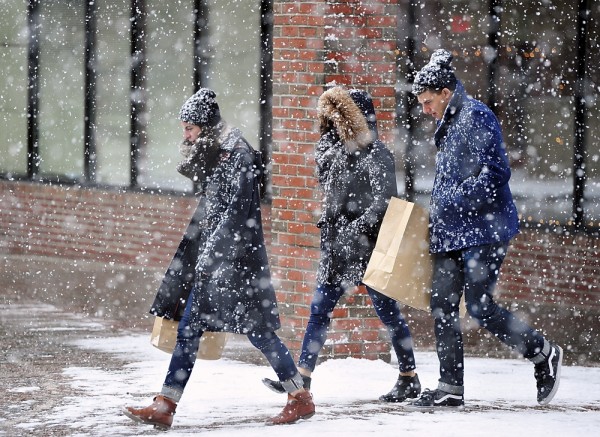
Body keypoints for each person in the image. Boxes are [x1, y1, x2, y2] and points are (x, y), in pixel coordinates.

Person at [123, 88, 314, 429]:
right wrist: (196, 148)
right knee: (196, 330)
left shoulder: (237, 155)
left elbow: (238, 213)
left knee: (257, 333)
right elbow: (205, 191)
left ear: (205, 125)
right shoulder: (218, 151)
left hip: (235, 265)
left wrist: (212, 255)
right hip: (220, 262)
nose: (185, 134)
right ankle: (166, 405)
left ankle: (299, 398)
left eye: (189, 128)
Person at [406, 49, 563, 411]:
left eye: (429, 102)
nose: (426, 110)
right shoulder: (448, 121)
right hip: (450, 233)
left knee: (478, 307)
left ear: (445, 92)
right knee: (442, 305)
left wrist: (453, 203)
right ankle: (450, 388)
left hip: (484, 231)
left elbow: (495, 175)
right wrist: (439, 215)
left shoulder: (476, 116)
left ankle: (543, 352)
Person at [262, 86, 421, 403]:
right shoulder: (335, 151)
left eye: (338, 117)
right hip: (337, 248)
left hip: (370, 246)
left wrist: (354, 227)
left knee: (387, 312)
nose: (332, 123)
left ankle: (409, 377)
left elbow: (384, 202)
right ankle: (302, 379)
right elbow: (334, 194)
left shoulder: (377, 153)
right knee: (319, 310)